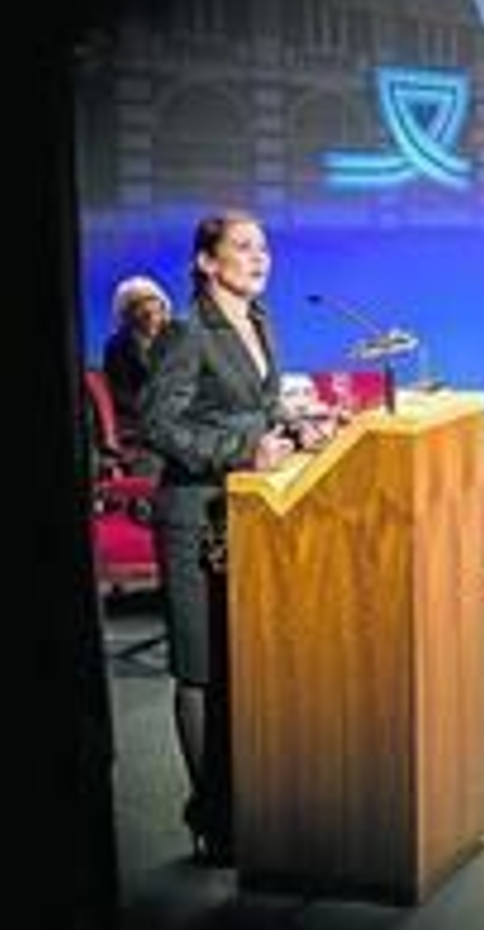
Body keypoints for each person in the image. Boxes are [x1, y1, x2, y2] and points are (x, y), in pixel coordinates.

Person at [142, 210, 322, 864]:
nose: (259, 257)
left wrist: (297, 428)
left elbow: (259, 407)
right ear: (206, 262)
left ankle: (247, 801)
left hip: (247, 515)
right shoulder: (187, 330)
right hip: (194, 514)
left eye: (264, 247)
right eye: (242, 247)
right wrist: (243, 451)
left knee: (241, 664)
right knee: (201, 669)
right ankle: (210, 816)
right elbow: (158, 425)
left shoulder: (261, 320)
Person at [101, 275, 173, 468]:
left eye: (153, 302)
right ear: (127, 314)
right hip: (138, 428)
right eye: (138, 306)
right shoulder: (118, 346)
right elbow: (121, 396)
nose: (149, 311)